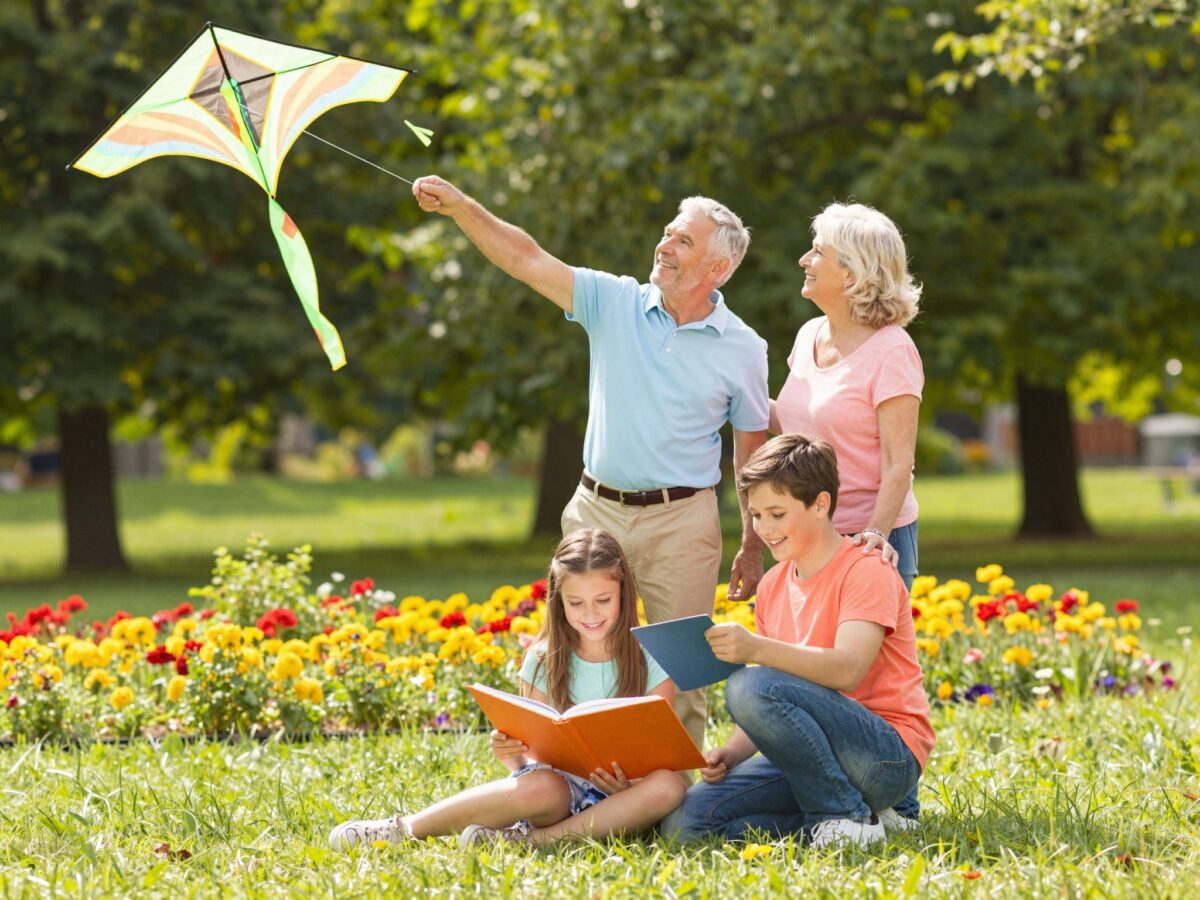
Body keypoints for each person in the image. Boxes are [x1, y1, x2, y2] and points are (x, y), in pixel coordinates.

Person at [411, 176, 770, 748]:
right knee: (576, 647)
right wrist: (460, 209)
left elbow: (748, 458)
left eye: (682, 241)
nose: (664, 245)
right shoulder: (615, 300)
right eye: (666, 233)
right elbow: (527, 259)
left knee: (686, 668)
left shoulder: (745, 348)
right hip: (595, 510)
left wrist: (753, 544)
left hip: (683, 520)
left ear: (717, 269)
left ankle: (678, 797)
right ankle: (564, 772)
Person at [329, 528, 689, 850]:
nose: (590, 614)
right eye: (575, 603)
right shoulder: (544, 659)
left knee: (669, 786)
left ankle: (528, 843)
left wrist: (627, 786)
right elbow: (533, 760)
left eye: (603, 600)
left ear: (624, 592)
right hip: (557, 796)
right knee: (539, 786)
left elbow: (657, 750)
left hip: (625, 800)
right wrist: (511, 754)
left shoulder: (650, 656)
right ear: (557, 600)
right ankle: (404, 828)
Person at [660, 434, 934, 849]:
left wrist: (753, 649)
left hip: (884, 759)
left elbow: (846, 670)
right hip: (809, 760)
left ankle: (841, 815)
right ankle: (864, 824)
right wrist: (731, 755)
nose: (764, 529)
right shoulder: (772, 585)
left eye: (777, 514)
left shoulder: (867, 571)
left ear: (821, 504)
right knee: (688, 823)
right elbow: (773, 703)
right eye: (755, 515)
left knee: (748, 684)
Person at [770, 202, 923, 591]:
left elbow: (898, 461)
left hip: (870, 539)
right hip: (810, 536)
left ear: (852, 274)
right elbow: (798, 421)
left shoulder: (893, 350)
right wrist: (726, 395)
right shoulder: (809, 334)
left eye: (818, 251)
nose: (804, 259)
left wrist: (875, 536)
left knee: (869, 655)